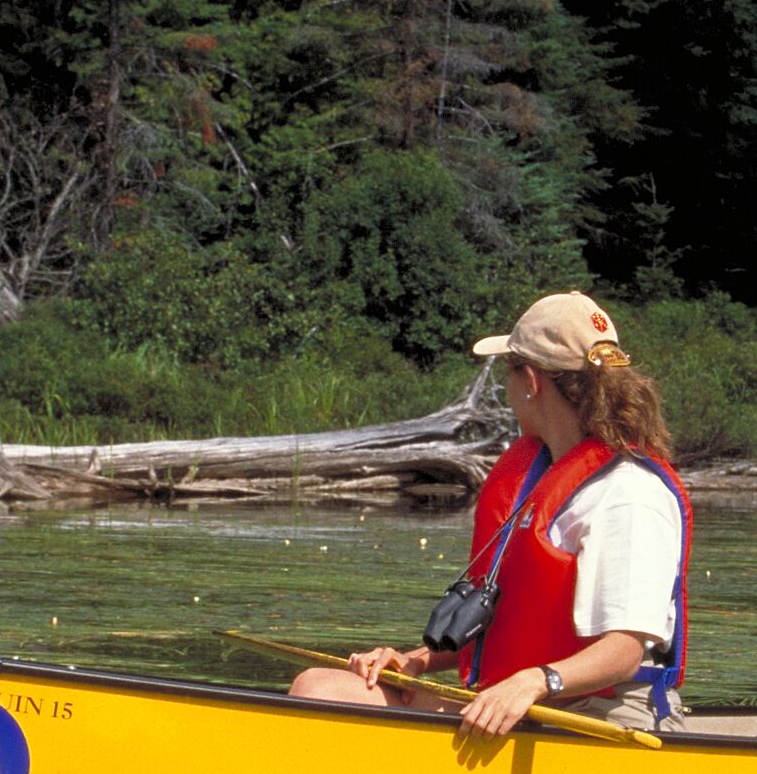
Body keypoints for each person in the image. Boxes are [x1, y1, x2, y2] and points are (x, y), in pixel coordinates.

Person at [291, 292, 693, 736]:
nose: (507, 389)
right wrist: (414, 660)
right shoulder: (537, 478)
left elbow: (625, 651)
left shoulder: (628, 492)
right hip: (535, 699)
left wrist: (534, 682)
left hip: (607, 715)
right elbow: (507, 622)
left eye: (508, 372)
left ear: (531, 381)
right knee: (324, 686)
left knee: (319, 693)